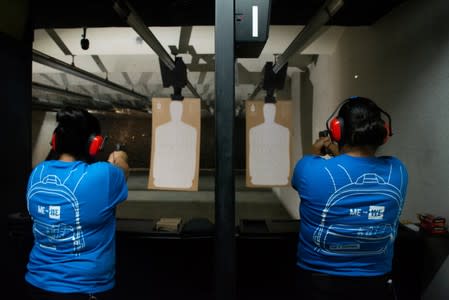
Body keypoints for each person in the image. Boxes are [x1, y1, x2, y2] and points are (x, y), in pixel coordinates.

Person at [291, 96, 408, 300]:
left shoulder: (308, 168)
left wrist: (316, 152)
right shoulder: (397, 170)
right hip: (376, 286)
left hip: (318, 284)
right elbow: (358, 169)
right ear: (384, 133)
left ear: (337, 130)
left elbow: (309, 177)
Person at [25, 107, 129, 300]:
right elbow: (123, 170)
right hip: (85, 289)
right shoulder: (104, 174)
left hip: (36, 283)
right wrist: (120, 156)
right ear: (94, 144)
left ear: (55, 141)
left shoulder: (37, 174)